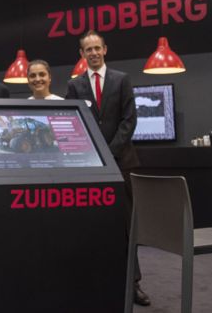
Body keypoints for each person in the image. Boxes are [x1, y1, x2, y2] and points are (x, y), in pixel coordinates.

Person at [64, 30, 150, 307]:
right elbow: (73, 123)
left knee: (126, 225)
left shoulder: (121, 80)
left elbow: (129, 120)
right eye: (88, 49)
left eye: (97, 48)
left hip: (121, 162)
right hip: (88, 166)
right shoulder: (74, 86)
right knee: (92, 225)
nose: (93, 53)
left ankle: (133, 282)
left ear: (105, 50)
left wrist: (109, 153)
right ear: (81, 54)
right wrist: (93, 155)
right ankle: (96, 281)